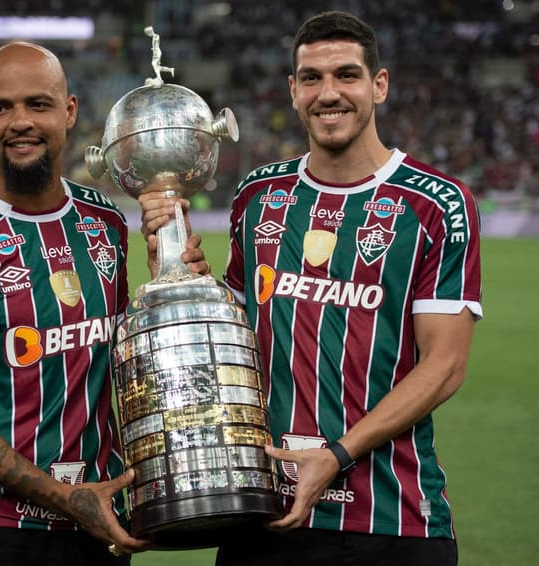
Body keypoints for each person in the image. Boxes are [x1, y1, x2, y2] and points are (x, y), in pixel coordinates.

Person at [140, 11, 482, 566]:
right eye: (312, 78)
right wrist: (180, 270)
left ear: (379, 84)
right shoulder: (258, 195)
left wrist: (336, 455)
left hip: (391, 520)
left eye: (346, 75)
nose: (329, 93)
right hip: (261, 513)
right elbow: (235, 330)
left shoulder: (436, 204)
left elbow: (445, 364)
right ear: (293, 91)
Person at [0, 42, 206, 565]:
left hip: (97, 526)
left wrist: (170, 281)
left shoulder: (104, 222)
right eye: (1, 108)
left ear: (69, 111)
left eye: (38, 104)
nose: (20, 122)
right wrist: (65, 498)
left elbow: (115, 351)